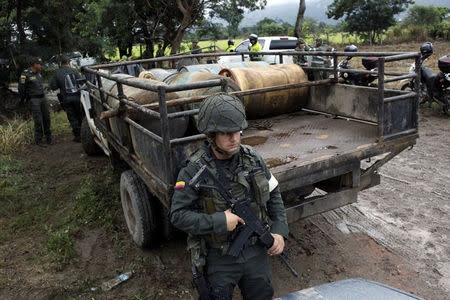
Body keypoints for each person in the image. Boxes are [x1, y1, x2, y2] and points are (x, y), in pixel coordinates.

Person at [170, 93, 288, 300]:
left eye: (237, 131)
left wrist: (279, 231)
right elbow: (178, 216)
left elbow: (273, 193)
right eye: (226, 133)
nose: (234, 138)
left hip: (256, 251)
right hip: (219, 257)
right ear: (210, 135)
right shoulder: (192, 171)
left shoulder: (253, 159)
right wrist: (219, 220)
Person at [18, 57, 53, 147]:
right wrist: (24, 99)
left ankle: (49, 137)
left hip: (42, 99)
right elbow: (21, 89)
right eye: (39, 64)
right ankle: (39, 140)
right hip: (34, 100)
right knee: (38, 120)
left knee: (46, 118)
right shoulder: (25, 74)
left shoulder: (38, 73)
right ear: (34, 65)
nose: (41, 66)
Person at [50, 55, 83, 142]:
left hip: (66, 99)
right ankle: (83, 133)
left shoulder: (57, 73)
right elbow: (82, 81)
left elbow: (53, 86)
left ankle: (77, 136)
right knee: (80, 115)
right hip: (77, 97)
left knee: (72, 117)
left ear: (61, 63)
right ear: (69, 63)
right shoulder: (74, 71)